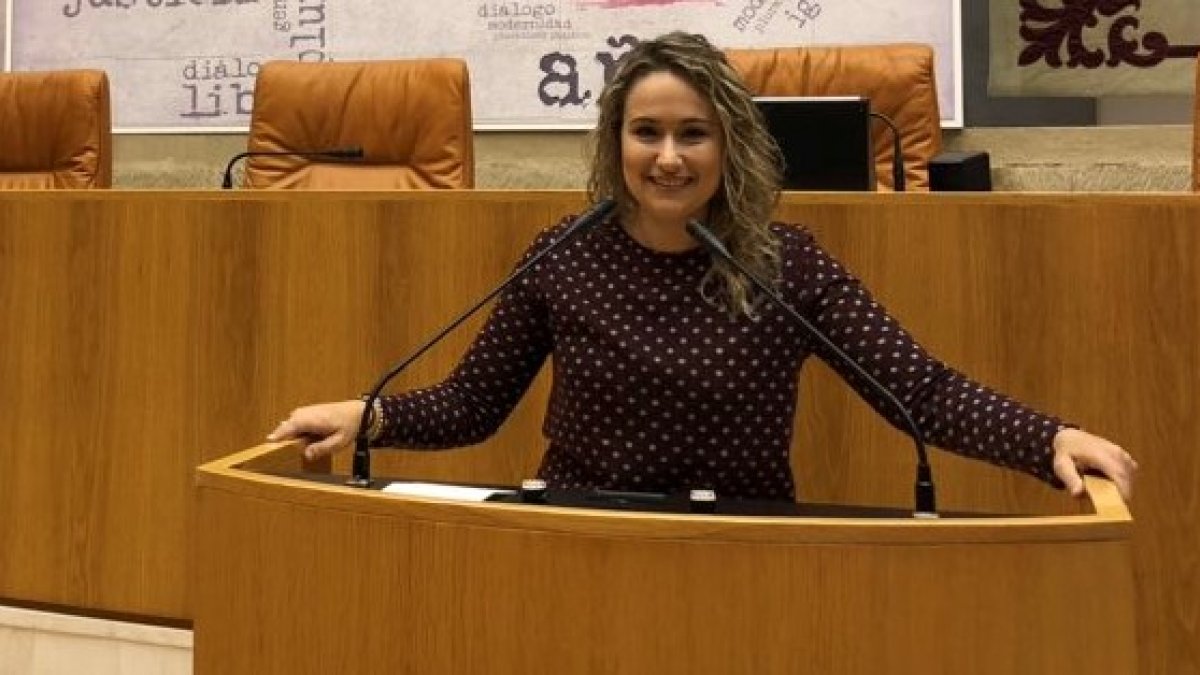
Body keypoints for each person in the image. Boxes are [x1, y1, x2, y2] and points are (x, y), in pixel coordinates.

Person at [268, 32, 1137, 502]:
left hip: (743, 548)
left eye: (694, 133)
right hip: (578, 537)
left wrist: (1046, 439)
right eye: (647, 132)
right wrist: (368, 412)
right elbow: (470, 405)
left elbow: (920, 390)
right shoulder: (563, 255)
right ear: (617, 144)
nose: (670, 157)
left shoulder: (782, 266)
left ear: (731, 144)